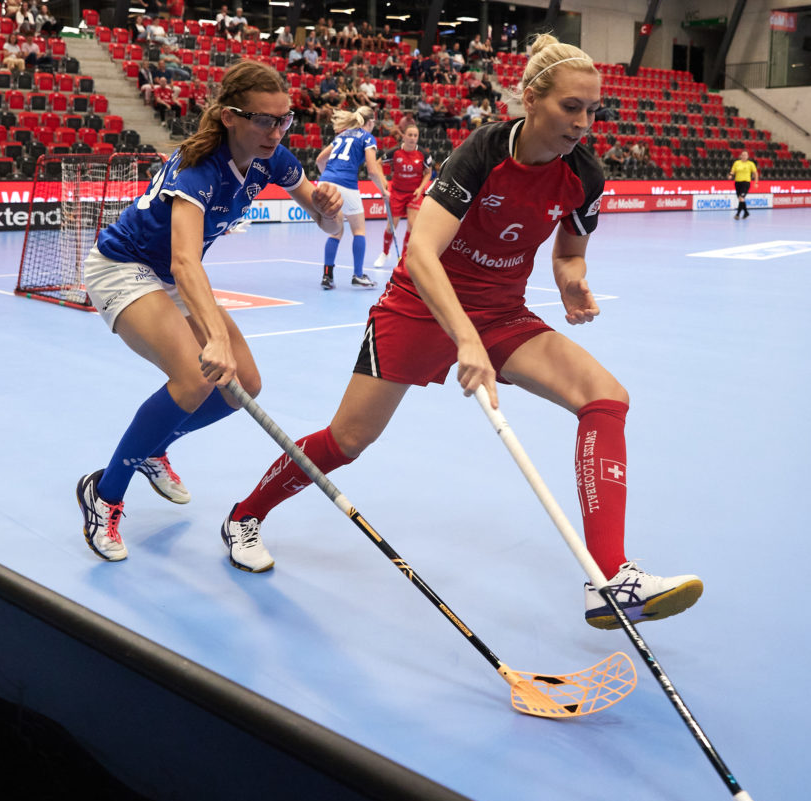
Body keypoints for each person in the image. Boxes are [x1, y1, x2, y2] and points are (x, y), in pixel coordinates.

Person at [219, 34, 703, 631]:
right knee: (347, 440)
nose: (583, 123)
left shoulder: (585, 174)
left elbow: (569, 253)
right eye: (571, 107)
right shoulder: (482, 152)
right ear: (532, 99)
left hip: (499, 312)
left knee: (606, 398)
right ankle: (245, 514)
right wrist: (465, 340)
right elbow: (422, 252)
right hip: (419, 306)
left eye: (593, 110)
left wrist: (572, 281)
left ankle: (610, 578)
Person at [74, 60, 343, 562]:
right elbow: (184, 259)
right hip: (125, 267)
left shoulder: (272, 158)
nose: (276, 131)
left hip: (172, 275)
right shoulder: (199, 168)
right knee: (193, 380)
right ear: (229, 117)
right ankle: (105, 494)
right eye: (264, 120)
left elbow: (330, 227)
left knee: (246, 386)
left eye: (284, 119)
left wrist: (329, 209)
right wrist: (214, 338)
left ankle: (151, 448)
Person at [314, 105, 390, 290]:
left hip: (325, 182)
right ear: (370, 122)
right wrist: (383, 191)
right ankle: (358, 275)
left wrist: (329, 179)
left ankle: (327, 276)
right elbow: (372, 171)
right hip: (346, 184)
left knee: (335, 232)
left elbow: (319, 160)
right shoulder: (367, 137)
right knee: (359, 230)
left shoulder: (342, 135)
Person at [374, 123, 432, 268]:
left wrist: (421, 188)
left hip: (414, 194)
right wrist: (383, 181)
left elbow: (428, 173)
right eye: (410, 135)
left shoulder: (423, 154)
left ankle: (404, 258)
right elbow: (378, 163)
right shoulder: (395, 152)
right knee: (391, 226)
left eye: (415, 135)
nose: (413, 138)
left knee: (412, 225)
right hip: (397, 192)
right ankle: (385, 253)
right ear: (404, 136)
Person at [729, 149, 758, 219]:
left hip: (746, 183)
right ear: (740, 156)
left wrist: (756, 182)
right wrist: (731, 175)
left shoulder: (751, 164)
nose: (744, 156)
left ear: (748, 156)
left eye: (746, 155)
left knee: (741, 198)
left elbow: (755, 173)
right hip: (737, 183)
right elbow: (733, 171)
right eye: (743, 155)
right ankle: (746, 212)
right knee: (740, 199)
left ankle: (737, 214)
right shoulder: (737, 163)